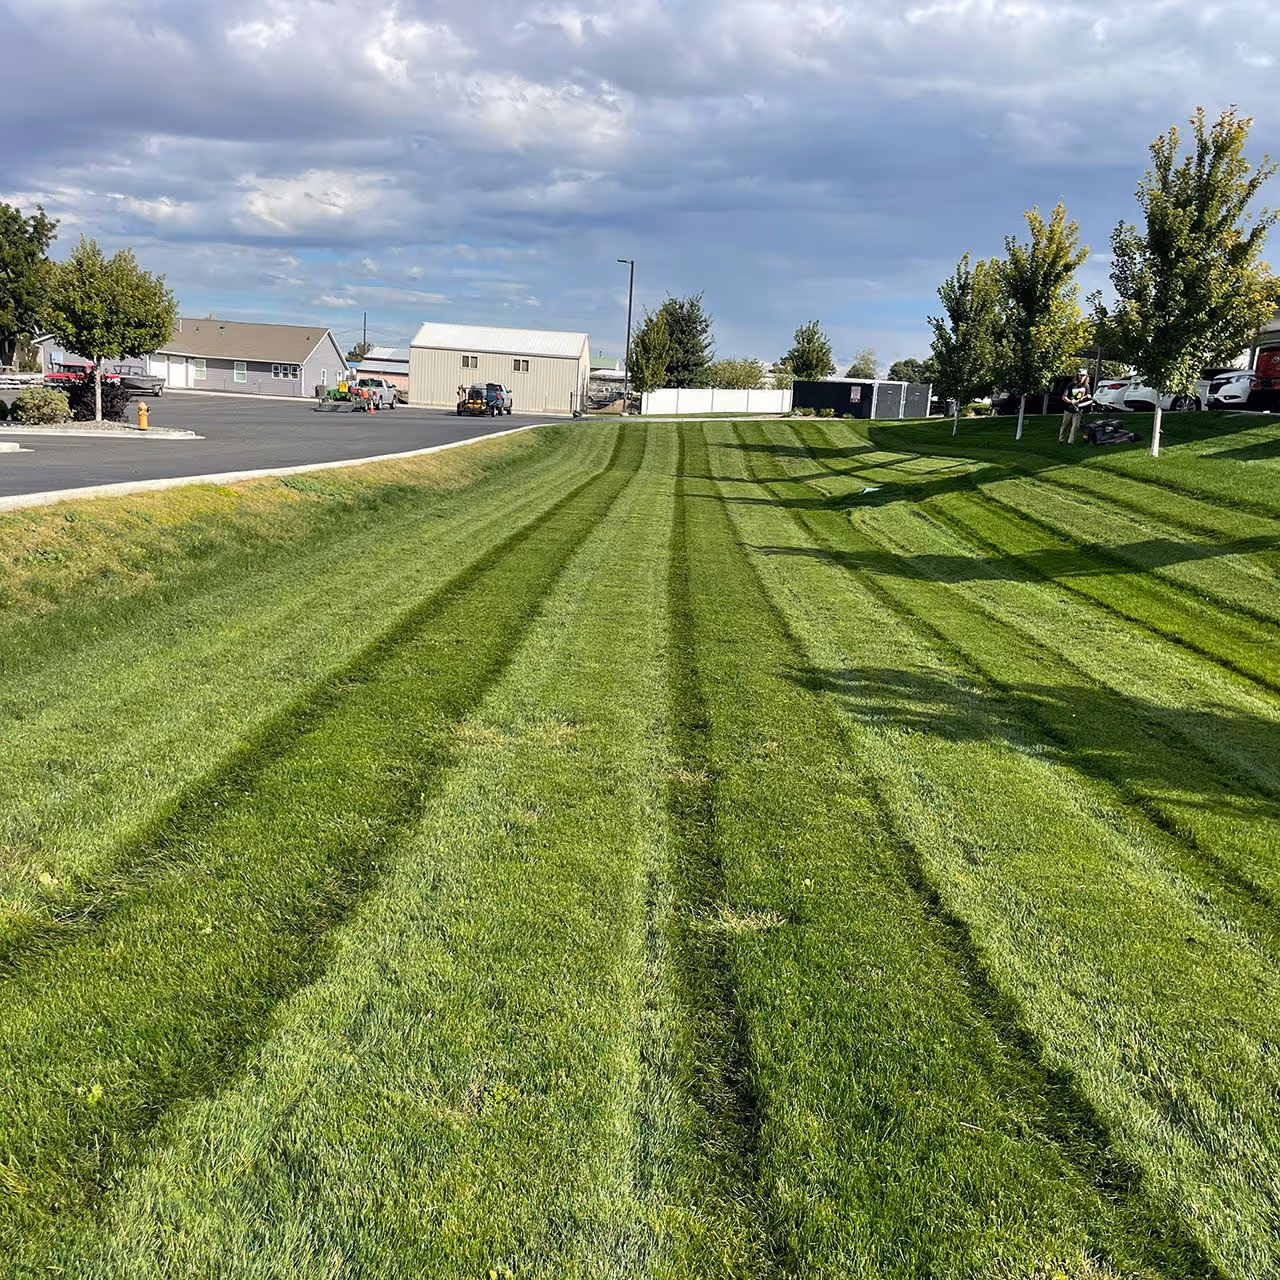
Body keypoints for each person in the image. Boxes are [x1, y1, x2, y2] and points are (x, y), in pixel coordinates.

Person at [1060, 369, 1091, 444]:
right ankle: (1061, 440)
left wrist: (1087, 397)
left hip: (1078, 410)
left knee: (1075, 426)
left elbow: (1088, 395)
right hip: (1069, 409)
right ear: (1077, 375)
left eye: (1084, 375)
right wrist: (1071, 401)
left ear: (1086, 376)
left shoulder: (1086, 386)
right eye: (1080, 375)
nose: (1082, 377)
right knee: (1065, 426)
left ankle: (1070, 442)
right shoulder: (1071, 385)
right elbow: (1064, 397)